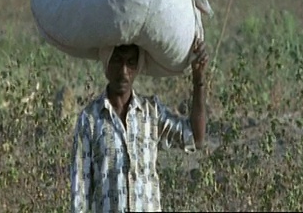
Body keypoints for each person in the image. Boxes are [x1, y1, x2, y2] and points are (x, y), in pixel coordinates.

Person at [70, 38, 209, 213]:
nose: (123, 71)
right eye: (117, 61)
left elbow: (196, 137)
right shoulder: (89, 119)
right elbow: (79, 192)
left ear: (137, 68)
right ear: (106, 64)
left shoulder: (151, 112)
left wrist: (199, 80)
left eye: (130, 63)